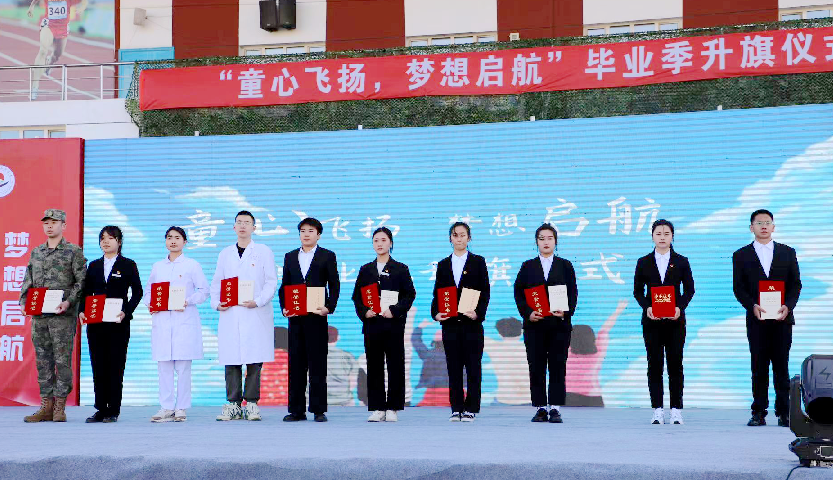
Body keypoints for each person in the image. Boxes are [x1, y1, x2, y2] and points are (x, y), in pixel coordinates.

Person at [733, 209, 801, 427]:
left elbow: (796, 285)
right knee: (758, 366)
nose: (763, 226)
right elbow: (738, 288)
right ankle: (758, 412)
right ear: (751, 227)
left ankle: (784, 412)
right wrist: (751, 305)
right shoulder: (741, 255)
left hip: (782, 319)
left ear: (773, 226)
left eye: (767, 222)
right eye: (759, 222)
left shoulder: (787, 252)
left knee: (781, 365)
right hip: (757, 320)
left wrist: (788, 306)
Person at [20, 209, 86, 423]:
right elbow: (28, 280)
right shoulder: (37, 252)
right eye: (46, 222)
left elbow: (81, 282)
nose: (49, 226)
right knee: (43, 360)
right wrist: (23, 302)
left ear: (63, 225)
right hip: (39, 315)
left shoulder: (73, 251)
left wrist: (69, 302)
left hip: (62, 316)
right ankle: (46, 406)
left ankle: (60, 406)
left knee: (62, 360)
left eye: (54, 222)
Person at [210, 210, 278, 421]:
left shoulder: (264, 251)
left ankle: (252, 403)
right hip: (231, 313)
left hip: (255, 312)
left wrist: (258, 301)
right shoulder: (225, 253)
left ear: (254, 227)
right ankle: (233, 404)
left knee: (254, 360)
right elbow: (217, 282)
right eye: (239, 222)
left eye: (247, 222)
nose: (242, 226)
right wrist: (217, 303)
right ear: (234, 227)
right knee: (231, 359)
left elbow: (271, 281)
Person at [142, 227, 209, 423]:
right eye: (169, 237)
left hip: (183, 320)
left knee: (183, 368)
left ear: (184, 242)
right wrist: (150, 304)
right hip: (162, 320)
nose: (173, 241)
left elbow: (204, 291)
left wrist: (188, 300)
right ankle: (166, 407)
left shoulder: (192, 265)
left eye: (177, 238)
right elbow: (149, 291)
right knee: (164, 367)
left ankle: (181, 408)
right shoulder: (158, 266)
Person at [513, 224, 578, 424]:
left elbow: (573, 293)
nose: (546, 242)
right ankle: (540, 407)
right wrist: (528, 313)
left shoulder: (565, 265)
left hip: (559, 326)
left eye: (550, 238)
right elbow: (518, 293)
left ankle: (555, 408)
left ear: (555, 241)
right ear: (536, 242)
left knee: (558, 366)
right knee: (536, 366)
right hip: (535, 326)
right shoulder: (527, 266)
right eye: (542, 238)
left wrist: (566, 311)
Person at [78, 225, 143, 423]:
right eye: (102, 238)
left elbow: (138, 292)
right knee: (98, 365)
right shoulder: (94, 265)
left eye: (110, 238)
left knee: (115, 365)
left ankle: (113, 409)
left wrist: (126, 311)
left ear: (119, 242)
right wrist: (82, 311)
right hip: (96, 321)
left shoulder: (128, 264)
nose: (105, 242)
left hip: (118, 322)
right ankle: (100, 408)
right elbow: (85, 291)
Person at [351, 227, 416, 422]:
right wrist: (365, 311)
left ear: (390, 243)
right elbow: (357, 296)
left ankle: (393, 407)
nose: (379, 244)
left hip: (393, 324)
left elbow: (409, 294)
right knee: (374, 365)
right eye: (376, 240)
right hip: (372, 324)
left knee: (395, 365)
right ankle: (378, 407)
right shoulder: (366, 270)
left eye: (383, 240)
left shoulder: (401, 268)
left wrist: (395, 310)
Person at [633, 219, 694, 425]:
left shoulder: (682, 261)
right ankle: (657, 409)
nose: (662, 237)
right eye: (658, 233)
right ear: (652, 236)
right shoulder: (643, 262)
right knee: (654, 364)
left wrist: (680, 307)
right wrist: (647, 307)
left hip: (675, 321)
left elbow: (690, 290)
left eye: (666, 234)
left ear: (672, 236)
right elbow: (637, 291)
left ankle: (676, 410)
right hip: (652, 322)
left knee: (675, 364)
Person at [280, 217, 340, 423]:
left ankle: (318, 409)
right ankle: (296, 410)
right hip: (295, 318)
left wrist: (329, 307)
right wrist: (285, 308)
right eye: (303, 231)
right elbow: (284, 285)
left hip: (317, 316)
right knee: (296, 364)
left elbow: (334, 284)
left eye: (311, 231)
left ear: (319, 235)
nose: (306, 234)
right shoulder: (290, 256)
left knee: (317, 363)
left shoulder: (327, 256)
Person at [431, 221, 490, 422]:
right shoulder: (443, 264)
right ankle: (456, 408)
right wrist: (436, 313)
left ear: (469, 238)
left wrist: (478, 313)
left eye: (463, 235)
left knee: (473, 368)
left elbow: (485, 291)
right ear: (450, 238)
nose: (459, 238)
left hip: (472, 324)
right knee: (453, 368)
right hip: (450, 325)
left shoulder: (478, 262)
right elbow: (437, 293)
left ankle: (471, 408)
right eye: (455, 235)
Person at [565, 299, 627, 407]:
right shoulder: (597, 354)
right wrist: (618, 310)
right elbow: (605, 330)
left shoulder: (567, 353)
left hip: (568, 396)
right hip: (593, 397)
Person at [26, 0, 88, 99]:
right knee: (43, 51)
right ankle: (35, 87)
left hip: (62, 28)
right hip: (49, 25)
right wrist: (32, 6)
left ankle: (50, 62)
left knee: (57, 55)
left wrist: (82, 7)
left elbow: (84, 1)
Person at [483, 318, 530, 405]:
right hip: (528, 399)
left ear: (499, 334)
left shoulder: (493, 348)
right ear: (522, 332)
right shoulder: (533, 348)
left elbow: (473, 334)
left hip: (503, 399)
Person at [325, 326, 358, 407]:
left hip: (316, 401)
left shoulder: (310, 356)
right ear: (338, 338)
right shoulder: (348, 356)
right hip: (344, 401)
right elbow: (353, 383)